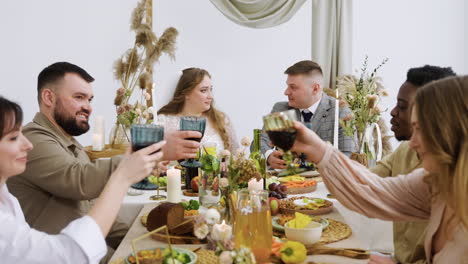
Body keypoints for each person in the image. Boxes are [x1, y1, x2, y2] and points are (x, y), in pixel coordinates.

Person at [6, 62, 201, 262]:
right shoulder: (33, 139)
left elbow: (92, 209)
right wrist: (154, 151)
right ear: (49, 97)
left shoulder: (70, 143)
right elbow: (79, 181)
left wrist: (145, 242)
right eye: (79, 97)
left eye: (89, 99)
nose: (88, 107)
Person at [290, 75, 468, 263]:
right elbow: (374, 192)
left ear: (451, 131)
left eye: (421, 129)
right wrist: (317, 149)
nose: (413, 143)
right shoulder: (437, 181)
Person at [0, 96, 164, 263]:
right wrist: (122, 176)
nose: (28, 145)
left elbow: (89, 204)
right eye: (13, 138)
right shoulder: (38, 137)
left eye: (90, 99)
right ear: (49, 97)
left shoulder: (7, 198)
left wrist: (134, 237)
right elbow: (69, 255)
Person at [369, 65, 456, 264]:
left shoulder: (454, 182)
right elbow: (367, 184)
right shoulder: (405, 150)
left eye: (402, 106)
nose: (392, 112)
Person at [261, 60, 356, 169]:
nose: (286, 92)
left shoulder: (340, 111)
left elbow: (348, 154)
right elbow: (260, 141)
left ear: (315, 88)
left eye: (293, 87)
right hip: (285, 181)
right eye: (287, 86)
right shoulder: (281, 109)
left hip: (323, 181)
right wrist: (268, 155)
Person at [157, 67, 239, 156]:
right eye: (203, 90)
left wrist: (226, 162)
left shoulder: (221, 119)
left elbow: (236, 157)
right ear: (186, 93)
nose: (210, 96)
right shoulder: (163, 122)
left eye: (211, 89)